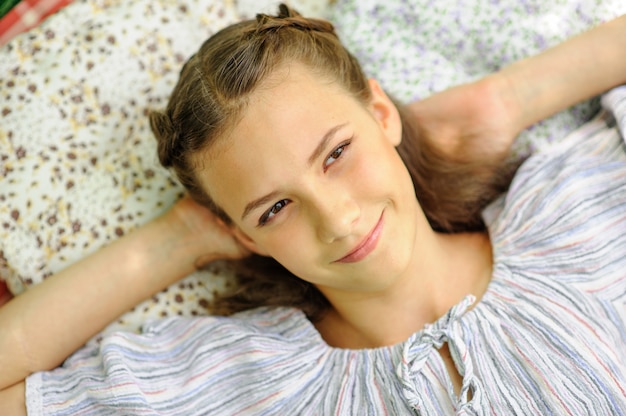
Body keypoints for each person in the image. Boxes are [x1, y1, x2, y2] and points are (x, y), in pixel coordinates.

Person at [1, 4, 625, 414]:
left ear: (382, 115)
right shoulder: (246, 381)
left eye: (336, 154)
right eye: (274, 209)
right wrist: (176, 242)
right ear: (241, 234)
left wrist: (503, 98)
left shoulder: (572, 216)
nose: (338, 218)